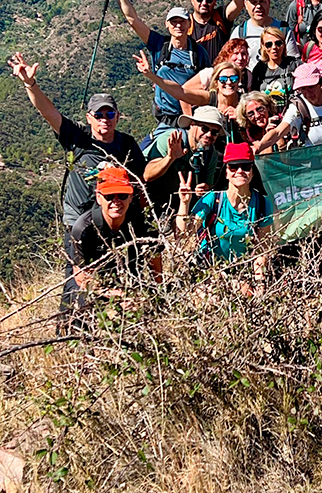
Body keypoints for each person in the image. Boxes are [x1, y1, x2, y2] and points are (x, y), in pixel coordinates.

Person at [8, 53, 145, 228]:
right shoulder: (77, 137)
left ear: (118, 116)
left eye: (110, 114)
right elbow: (49, 113)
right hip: (77, 220)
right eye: (98, 115)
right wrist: (30, 84)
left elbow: (140, 181)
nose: (104, 119)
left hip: (112, 220)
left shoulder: (127, 144)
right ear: (89, 118)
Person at [108, 0, 211, 128]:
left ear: (189, 24)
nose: (178, 26)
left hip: (190, 117)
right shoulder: (159, 45)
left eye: (182, 22)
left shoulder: (198, 53)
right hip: (164, 117)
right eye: (173, 22)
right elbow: (132, 20)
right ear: (167, 24)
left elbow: (207, 85)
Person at [61, 166, 161, 318]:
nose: (116, 201)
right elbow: (81, 277)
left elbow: (155, 258)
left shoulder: (142, 222)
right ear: (98, 198)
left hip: (129, 280)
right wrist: (115, 295)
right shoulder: (83, 229)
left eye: (121, 195)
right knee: (79, 300)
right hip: (97, 284)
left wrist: (157, 293)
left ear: (130, 196)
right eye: (109, 196)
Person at [176, 142, 273, 289]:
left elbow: (261, 249)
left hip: (241, 273)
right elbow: (185, 232)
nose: (240, 171)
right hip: (209, 272)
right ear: (226, 172)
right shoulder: (212, 200)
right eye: (233, 167)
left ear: (253, 172)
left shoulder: (262, 204)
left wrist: (260, 285)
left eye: (246, 166)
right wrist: (184, 203)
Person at [134, 52, 242, 141]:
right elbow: (180, 92)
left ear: (239, 81)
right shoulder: (209, 98)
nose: (228, 82)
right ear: (216, 82)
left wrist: (240, 116)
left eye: (233, 79)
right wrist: (151, 75)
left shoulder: (244, 103)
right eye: (223, 79)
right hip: (210, 152)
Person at [252, 63, 322, 152]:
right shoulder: (297, 107)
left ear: (320, 83)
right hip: (311, 164)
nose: (308, 93)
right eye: (303, 88)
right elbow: (278, 132)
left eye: (311, 86)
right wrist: (259, 146)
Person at [143, 106, 225, 212]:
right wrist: (170, 158)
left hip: (181, 206)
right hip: (152, 204)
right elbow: (147, 175)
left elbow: (207, 185)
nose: (209, 135)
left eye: (214, 132)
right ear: (192, 125)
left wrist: (202, 190)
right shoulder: (172, 140)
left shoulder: (210, 154)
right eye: (204, 128)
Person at [230, 0, 299, 70]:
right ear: (246, 5)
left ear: (269, 3)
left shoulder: (283, 30)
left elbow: (294, 61)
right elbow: (231, 62)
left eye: (262, 2)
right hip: (250, 81)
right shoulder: (240, 32)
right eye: (254, 2)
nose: (258, 6)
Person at [184, 38, 253, 103]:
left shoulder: (248, 76)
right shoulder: (210, 73)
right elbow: (184, 91)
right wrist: (188, 114)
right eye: (236, 53)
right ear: (226, 55)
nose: (240, 58)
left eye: (243, 54)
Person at [251, 26, 301, 105]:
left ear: (284, 44)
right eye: (269, 44)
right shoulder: (259, 70)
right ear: (263, 47)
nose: (274, 47)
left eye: (278, 43)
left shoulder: (295, 64)